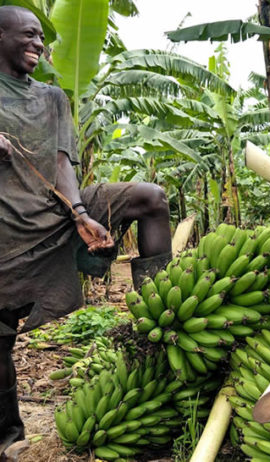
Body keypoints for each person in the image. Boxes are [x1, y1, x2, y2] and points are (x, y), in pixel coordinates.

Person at [0, 6, 173, 459]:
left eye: (42, 37)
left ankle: (162, 319)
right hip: (4, 231)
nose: (39, 44)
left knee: (151, 198)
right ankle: (9, 437)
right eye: (29, 36)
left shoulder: (53, 97)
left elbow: (61, 162)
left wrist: (79, 212)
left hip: (55, 210)